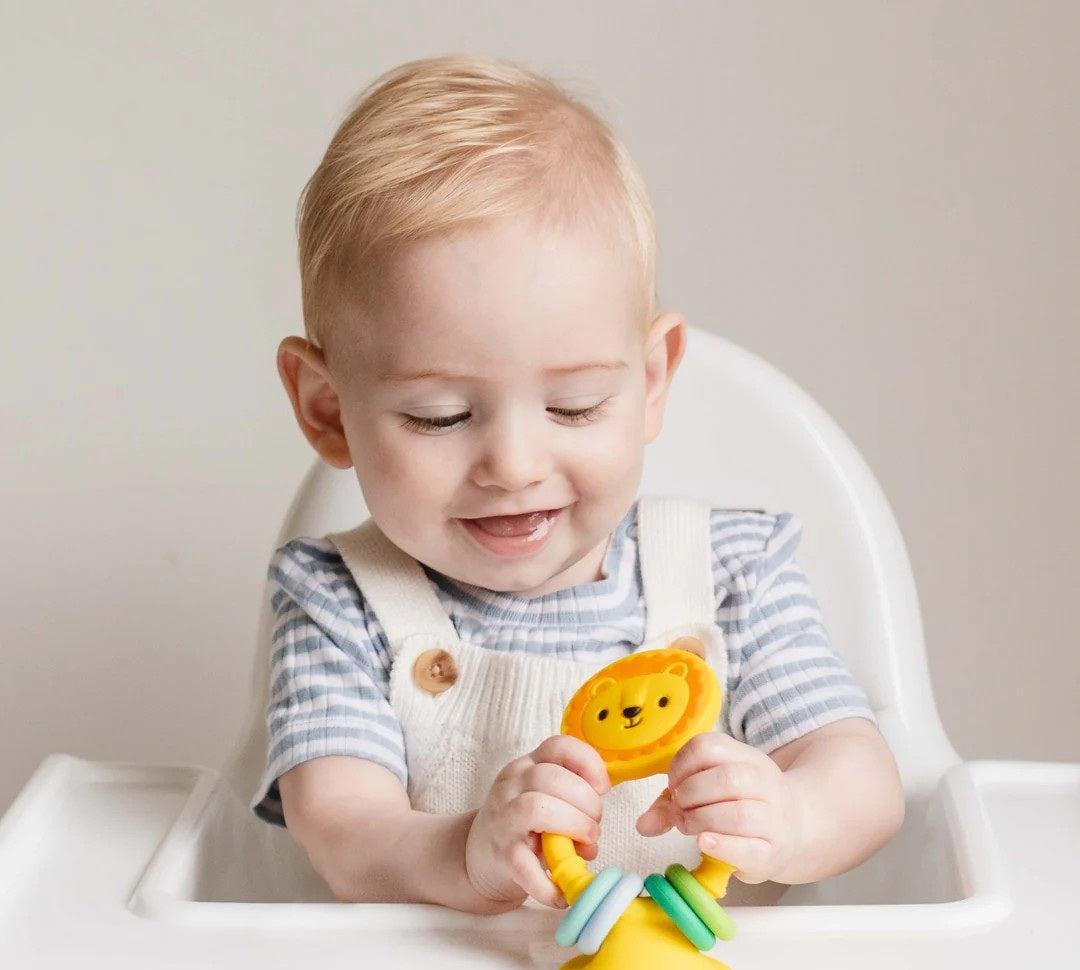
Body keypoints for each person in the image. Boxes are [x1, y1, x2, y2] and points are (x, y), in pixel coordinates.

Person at [251, 53, 905, 914]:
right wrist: (461, 850)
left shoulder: (730, 574)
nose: (515, 466)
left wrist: (791, 815)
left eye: (575, 405)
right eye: (442, 416)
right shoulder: (341, 601)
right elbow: (344, 830)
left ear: (652, 382)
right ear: (329, 409)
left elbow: (864, 776)